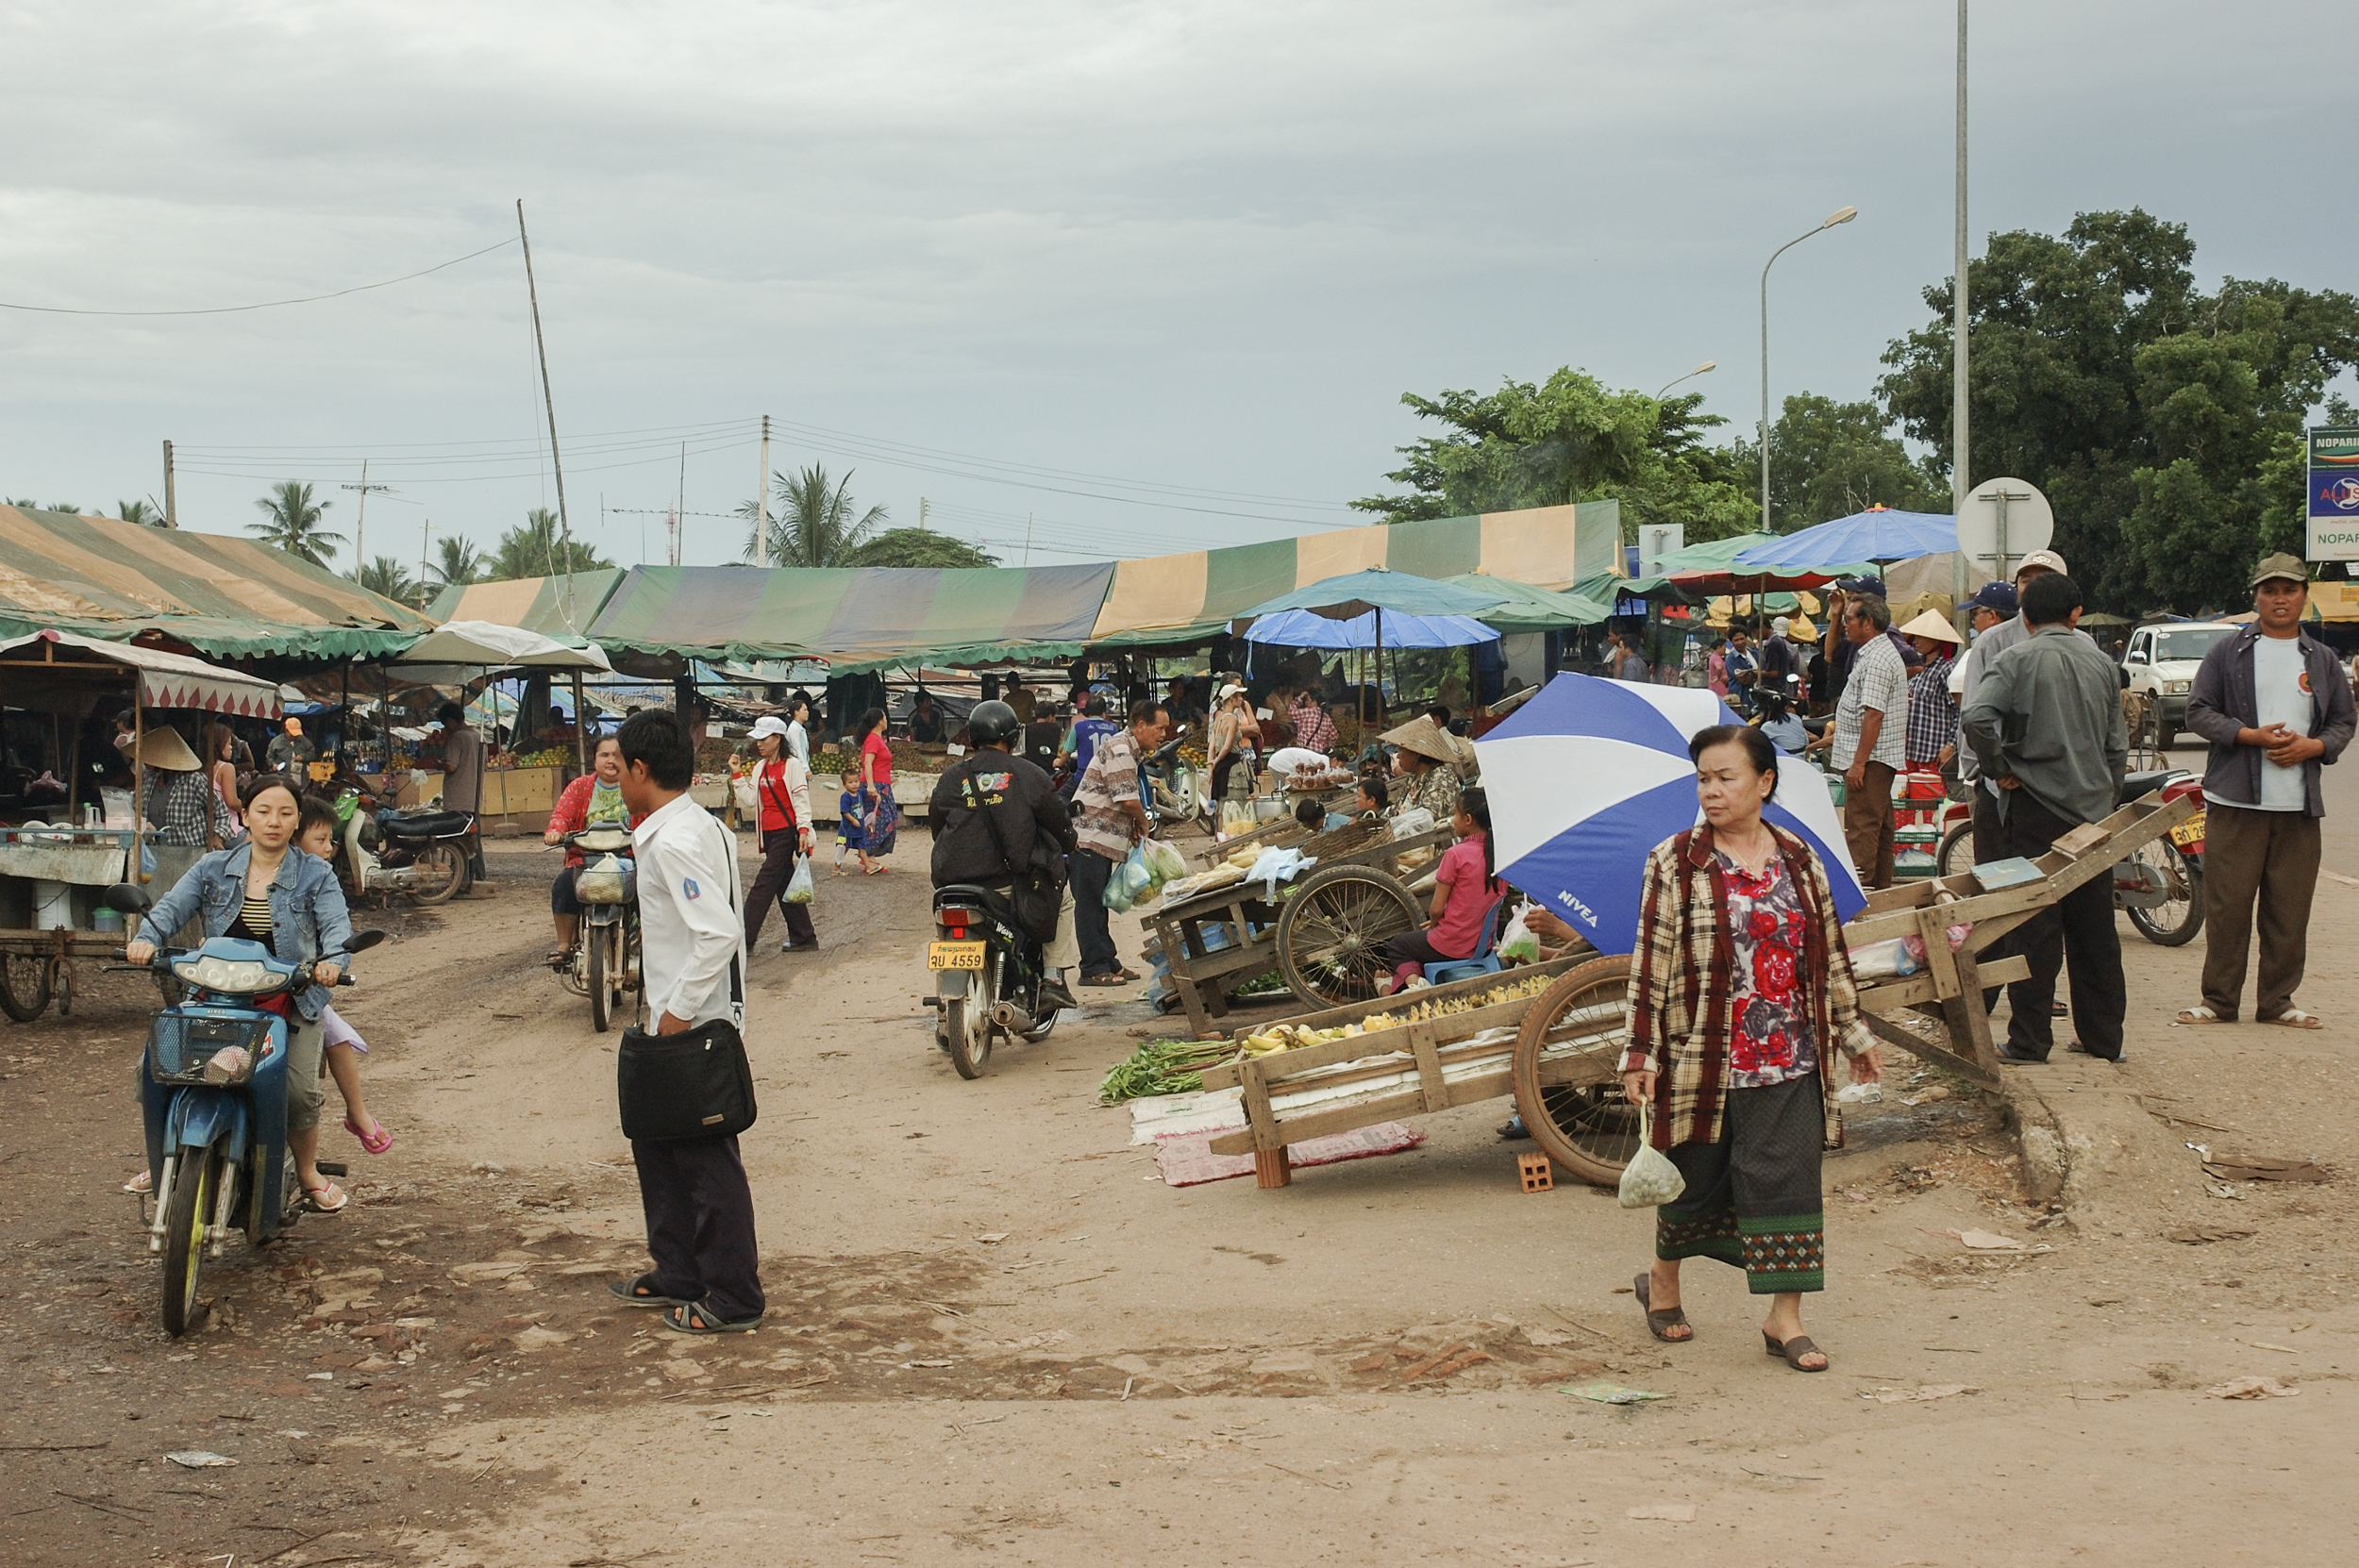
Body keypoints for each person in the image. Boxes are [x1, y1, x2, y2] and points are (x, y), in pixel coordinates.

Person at [1620, 724, 1881, 1372]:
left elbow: (1829, 954)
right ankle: (1663, 1278)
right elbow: (1650, 963)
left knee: (1790, 1181)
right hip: (1704, 1055)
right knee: (1695, 1181)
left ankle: (1783, 1319)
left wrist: (1853, 1032)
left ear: (1764, 781)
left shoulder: (1800, 858)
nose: (1710, 791)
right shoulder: (1674, 862)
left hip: (1790, 1054)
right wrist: (1640, 1053)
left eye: (1724, 777)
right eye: (1703, 779)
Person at [127, 773, 356, 1213]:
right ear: (245, 816)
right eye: (263, 811)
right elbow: (170, 908)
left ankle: (306, 1170)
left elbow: (336, 929)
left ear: (296, 821)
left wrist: (332, 963)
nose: (274, 821)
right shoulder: (212, 867)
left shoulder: (316, 874)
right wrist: (146, 940)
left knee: (298, 1092)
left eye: (285, 813)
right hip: (215, 994)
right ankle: (163, 1158)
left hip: (288, 997)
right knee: (154, 1068)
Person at [609, 709, 764, 1335]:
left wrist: (675, 1013)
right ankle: (677, 1269)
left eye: (618, 767)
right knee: (658, 1144)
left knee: (705, 1163)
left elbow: (718, 932)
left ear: (640, 769)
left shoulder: (673, 840)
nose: (615, 777)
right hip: (680, 1020)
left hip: (692, 1025)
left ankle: (733, 1297)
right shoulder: (697, 825)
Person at [2179, 553, 2357, 1028]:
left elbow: (2344, 721)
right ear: (2256, 597)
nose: (2280, 599)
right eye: (2270, 591)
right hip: (2236, 802)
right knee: (2228, 908)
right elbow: (2198, 711)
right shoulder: (2227, 652)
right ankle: (2219, 1001)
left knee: (2289, 911)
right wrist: (2247, 735)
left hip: (2299, 806)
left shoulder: (2321, 659)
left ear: (2304, 597)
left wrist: (2314, 746)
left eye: (2290, 590)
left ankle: (2278, 1001)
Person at [1959, 572, 2129, 1062]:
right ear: (2075, 614)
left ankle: (2030, 1040)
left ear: (2025, 617)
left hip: (2034, 807)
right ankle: (2103, 1040)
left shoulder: (2015, 659)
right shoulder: (2101, 664)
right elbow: (2117, 745)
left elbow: (1975, 718)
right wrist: (2105, 798)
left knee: (2035, 927)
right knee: (2095, 929)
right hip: (2091, 814)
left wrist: (1999, 768)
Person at [927, 700, 1080, 1012]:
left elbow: (937, 826)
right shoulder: (1029, 774)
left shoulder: (951, 777)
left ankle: (947, 1006)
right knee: (1063, 899)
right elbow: (1058, 821)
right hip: (1005, 883)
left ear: (972, 738)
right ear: (1013, 737)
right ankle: (1052, 979)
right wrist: (1069, 843)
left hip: (951, 883)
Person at [295, 797, 391, 1156]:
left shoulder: (320, 880)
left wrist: (332, 963)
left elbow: (336, 930)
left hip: (297, 985)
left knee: (335, 1036)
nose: (329, 848)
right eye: (320, 839)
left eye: (329, 840)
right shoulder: (228, 868)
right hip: (240, 984)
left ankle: (357, 1110)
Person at [1069, 699, 1167, 988]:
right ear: (1141, 725)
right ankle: (1092, 968)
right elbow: (1126, 799)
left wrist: (1132, 826)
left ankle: (1107, 960)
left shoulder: (1129, 750)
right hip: (1087, 839)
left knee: (1098, 903)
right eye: (1160, 728)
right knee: (1089, 905)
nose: (1163, 735)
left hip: (1099, 840)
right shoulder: (1121, 749)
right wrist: (1143, 823)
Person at [1822, 593, 1908, 890]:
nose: (1846, 625)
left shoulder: (1878, 659)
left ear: (1867, 622)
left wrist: (1859, 763)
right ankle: (1879, 890)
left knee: (1861, 828)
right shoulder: (1871, 653)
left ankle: (1862, 894)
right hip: (1872, 756)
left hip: (1871, 758)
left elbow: (1873, 715)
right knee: (1878, 826)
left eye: (1849, 620)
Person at [1380, 788, 1505, 989]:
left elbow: (1436, 909)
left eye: (1455, 814)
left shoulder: (1456, 855)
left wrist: (1435, 924)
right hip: (1484, 944)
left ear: (1468, 819)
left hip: (1454, 944)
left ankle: (1416, 987)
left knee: (1398, 945)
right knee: (1419, 942)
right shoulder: (1499, 855)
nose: (1452, 820)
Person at [543, 734, 635, 967]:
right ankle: (564, 944)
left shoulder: (636, 786)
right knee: (564, 885)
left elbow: (650, 815)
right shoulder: (579, 787)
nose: (611, 760)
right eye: (604, 755)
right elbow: (562, 814)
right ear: (595, 759)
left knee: (647, 891)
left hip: (628, 860)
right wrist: (555, 831)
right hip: (586, 860)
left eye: (617, 755)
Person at [742, 715, 818, 955]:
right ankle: (804, 936)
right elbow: (750, 799)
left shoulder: (792, 765)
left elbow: (801, 799)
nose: (759, 744)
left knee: (764, 883)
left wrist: (803, 829)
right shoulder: (760, 768)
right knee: (783, 883)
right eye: (758, 740)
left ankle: (744, 938)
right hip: (769, 833)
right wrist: (736, 776)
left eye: (763, 739)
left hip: (786, 832)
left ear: (777, 739)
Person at [1899, 611, 1964, 777]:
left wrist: (1950, 746)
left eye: (1921, 637)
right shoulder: (1917, 667)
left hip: (1934, 752)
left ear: (1936, 640)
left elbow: (1961, 711)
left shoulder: (1947, 670)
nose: (1915, 641)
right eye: (1915, 637)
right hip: (1910, 750)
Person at [843, 707, 897, 875]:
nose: (887, 721)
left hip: (883, 785)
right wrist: (871, 786)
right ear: (880, 721)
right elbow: (867, 763)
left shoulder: (878, 740)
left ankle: (870, 856)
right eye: (885, 718)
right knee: (883, 820)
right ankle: (866, 854)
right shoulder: (873, 739)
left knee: (884, 820)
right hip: (875, 785)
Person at [1383, 717, 1463, 826]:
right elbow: (1397, 809)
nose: (1398, 756)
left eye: (1401, 750)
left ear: (1416, 754)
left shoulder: (1441, 775)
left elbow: (1428, 816)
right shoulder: (1413, 779)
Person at [1206, 682, 1262, 801]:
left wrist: (1211, 767)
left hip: (1221, 768)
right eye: (1239, 696)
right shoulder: (1232, 719)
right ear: (1232, 698)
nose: (1241, 699)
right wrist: (1216, 761)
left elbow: (1212, 746)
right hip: (1233, 767)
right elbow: (1227, 747)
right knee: (1236, 802)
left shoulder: (1219, 718)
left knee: (1222, 803)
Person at [1062, 693, 1117, 801]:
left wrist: (1058, 762)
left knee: (1062, 796)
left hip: (1084, 776)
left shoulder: (1079, 727)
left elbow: (1066, 752)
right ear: (1103, 712)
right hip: (1107, 777)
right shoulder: (1113, 728)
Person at [436, 702, 483, 822]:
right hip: (475, 798)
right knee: (472, 828)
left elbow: (451, 767)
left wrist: (439, 765)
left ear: (450, 721)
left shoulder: (457, 737)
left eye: (445, 724)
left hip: (458, 799)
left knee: (457, 830)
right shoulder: (479, 736)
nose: (445, 729)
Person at [204, 724, 243, 842]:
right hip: (227, 827)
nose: (231, 748)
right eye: (229, 744)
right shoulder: (226, 768)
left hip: (205, 825)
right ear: (219, 745)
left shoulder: (201, 766)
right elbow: (232, 802)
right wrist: (247, 808)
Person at [1752, 688, 1810, 754]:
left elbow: (1759, 747)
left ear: (1768, 706)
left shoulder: (1767, 727)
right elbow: (1806, 741)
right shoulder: (1796, 718)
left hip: (1783, 757)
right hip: (1801, 756)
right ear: (1786, 707)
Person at [1290, 684, 1338, 755]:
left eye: (1307, 700)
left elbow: (1291, 711)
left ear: (1314, 702)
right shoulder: (1326, 716)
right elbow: (1334, 735)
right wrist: (1326, 746)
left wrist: (1299, 698)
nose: (1305, 702)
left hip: (1306, 752)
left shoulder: (1308, 712)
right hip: (1320, 753)